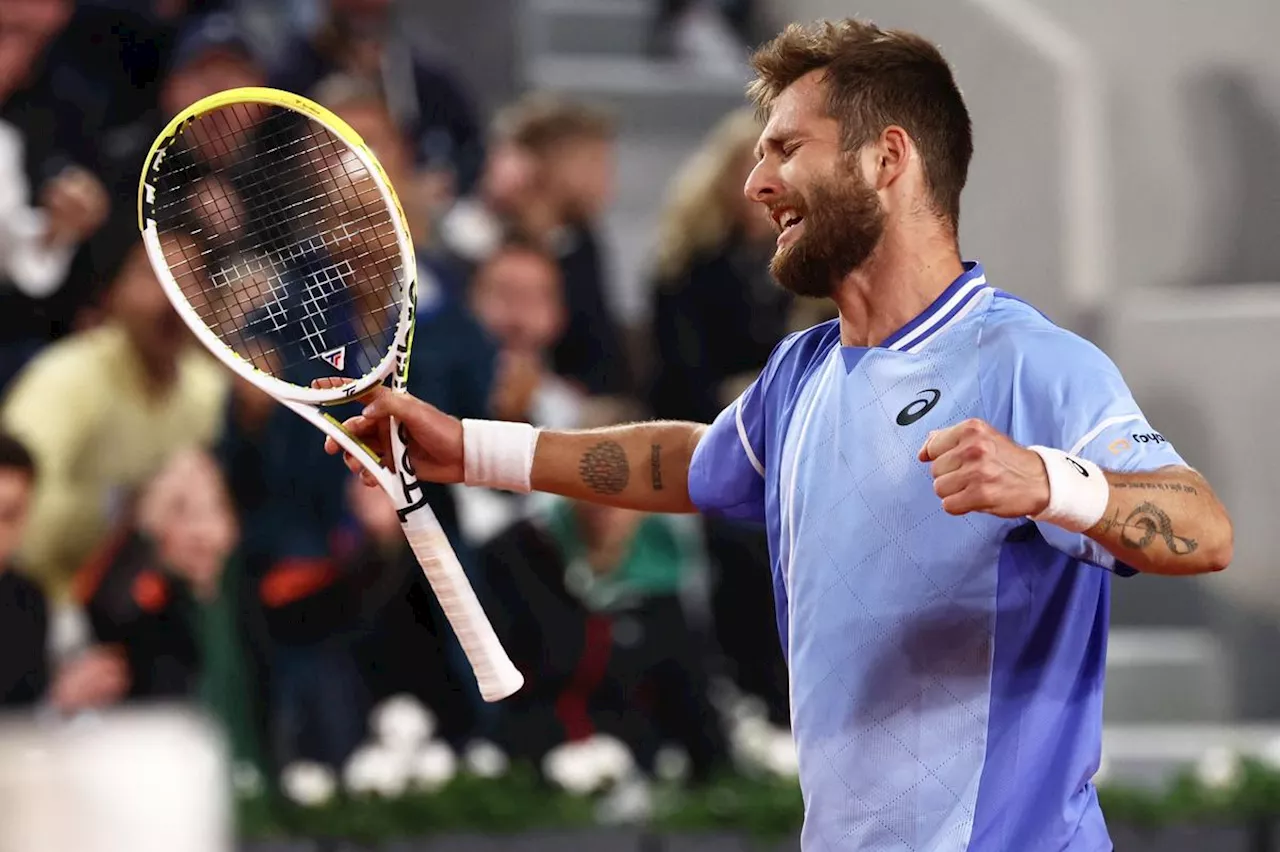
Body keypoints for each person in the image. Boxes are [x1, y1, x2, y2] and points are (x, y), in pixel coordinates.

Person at [326, 18, 1237, 851]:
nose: (757, 183)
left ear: (889, 160)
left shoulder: (1033, 366)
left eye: (787, 149)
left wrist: (1051, 482)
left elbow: (1202, 528)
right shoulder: (798, 375)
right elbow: (686, 461)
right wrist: (470, 447)